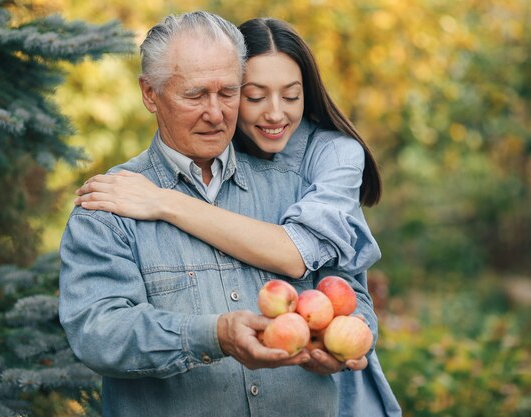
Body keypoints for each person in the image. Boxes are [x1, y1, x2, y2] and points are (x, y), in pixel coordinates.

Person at [74, 17, 402, 417]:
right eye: (195, 95)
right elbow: (99, 333)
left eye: (229, 92)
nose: (215, 113)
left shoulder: (297, 183)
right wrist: (213, 336)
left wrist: (345, 339)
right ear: (150, 93)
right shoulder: (112, 203)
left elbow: (351, 293)